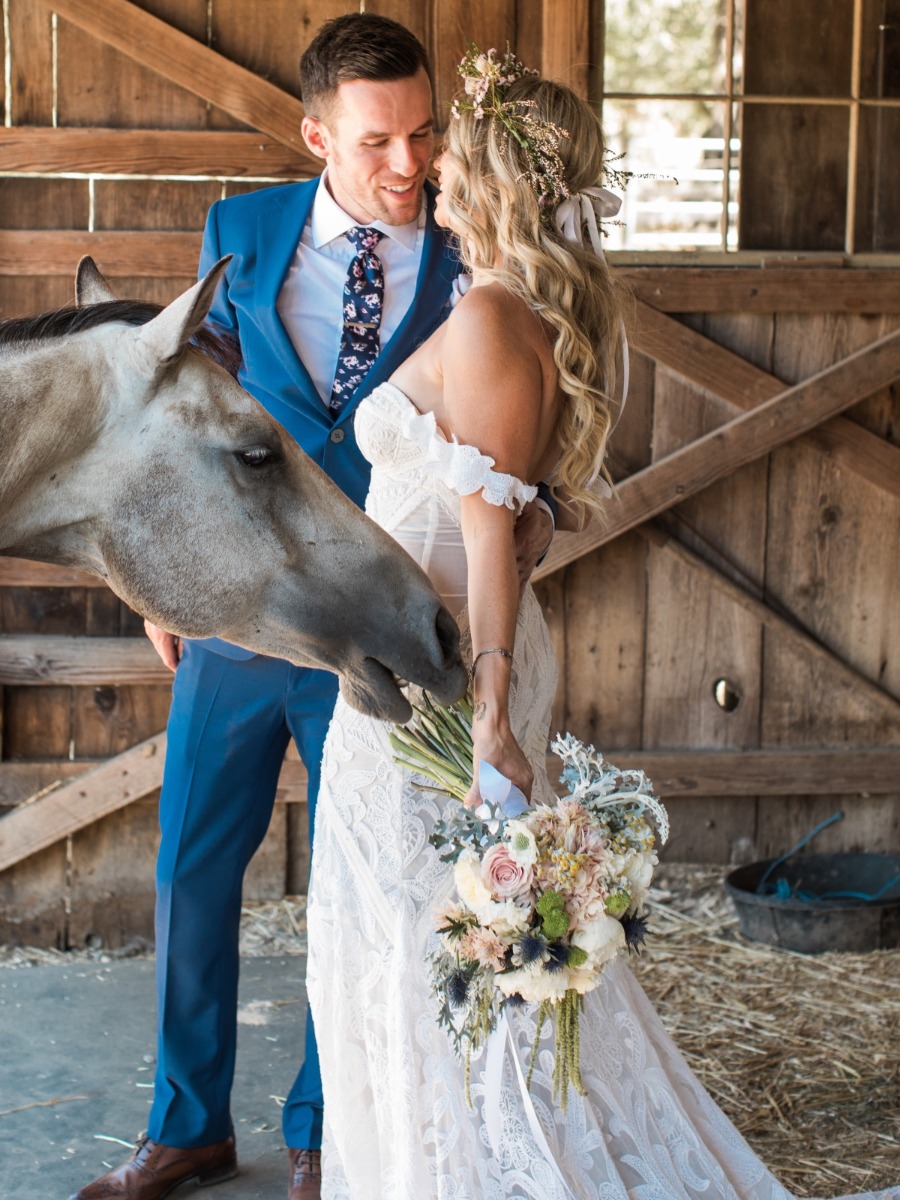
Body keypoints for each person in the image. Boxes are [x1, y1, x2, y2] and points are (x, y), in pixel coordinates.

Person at [304, 49, 897, 1200]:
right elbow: (522, 520)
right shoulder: (521, 315)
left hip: (435, 695)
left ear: (489, 176)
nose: (429, 171)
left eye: (449, 154)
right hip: (447, 667)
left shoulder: (485, 319)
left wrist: (487, 715)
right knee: (442, 958)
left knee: (421, 962)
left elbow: (485, 541)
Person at [70, 17, 554, 1200]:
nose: (410, 163)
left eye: (425, 132)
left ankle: (327, 1133)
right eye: (379, 138)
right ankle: (185, 1123)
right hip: (242, 614)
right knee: (192, 862)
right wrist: (152, 578)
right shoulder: (239, 233)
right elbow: (176, 418)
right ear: (315, 133)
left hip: (392, 621)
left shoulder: (473, 250)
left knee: (366, 883)